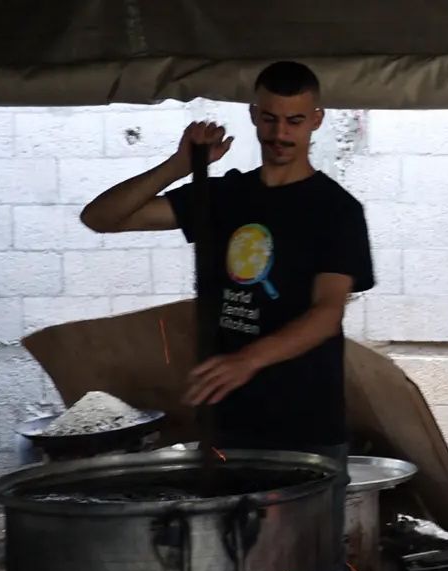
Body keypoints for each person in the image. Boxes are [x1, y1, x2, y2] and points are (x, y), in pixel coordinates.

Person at [80, 60, 375, 462]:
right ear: (253, 115)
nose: (280, 133)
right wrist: (179, 165)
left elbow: (326, 313)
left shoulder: (336, 210)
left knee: (303, 528)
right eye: (270, 119)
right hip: (227, 422)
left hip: (306, 424)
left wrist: (247, 360)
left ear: (316, 120)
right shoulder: (224, 196)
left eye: (295, 121)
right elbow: (101, 218)